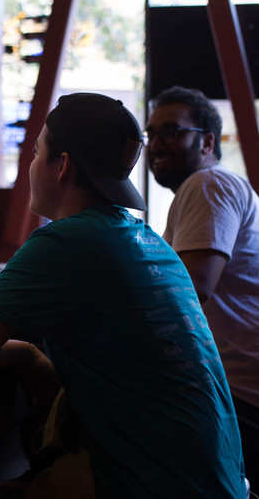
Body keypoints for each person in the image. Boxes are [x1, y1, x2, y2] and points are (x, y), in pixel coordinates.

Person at [0, 93, 246, 498]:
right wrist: (26, 353)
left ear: (62, 165)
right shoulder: (148, 242)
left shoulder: (67, 239)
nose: (30, 166)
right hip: (219, 485)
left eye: (35, 153)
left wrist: (8, 346)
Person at [147, 85, 259, 489]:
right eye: (152, 133)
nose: (157, 143)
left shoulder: (207, 185)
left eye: (172, 132)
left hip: (238, 394)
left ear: (208, 141)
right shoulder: (205, 190)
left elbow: (190, 289)